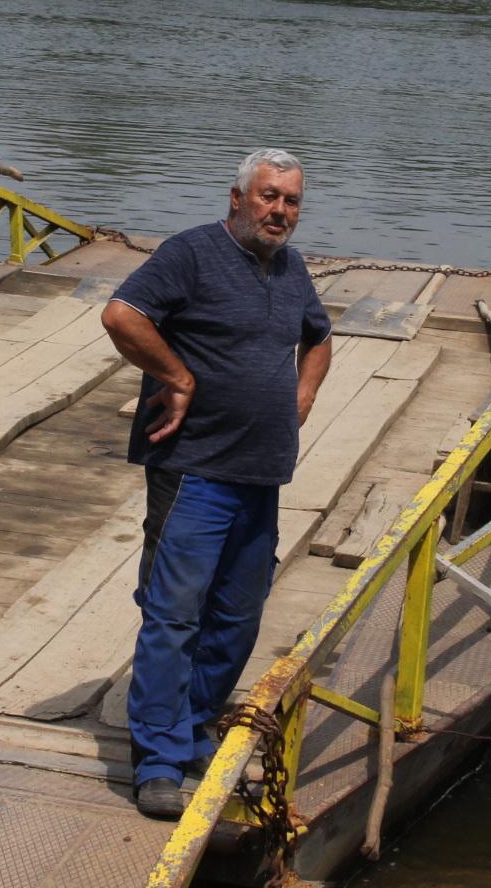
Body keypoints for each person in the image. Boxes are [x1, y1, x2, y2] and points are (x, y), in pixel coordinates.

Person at [99, 149, 333, 819]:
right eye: (268, 197)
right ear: (237, 198)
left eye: (290, 200)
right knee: (174, 615)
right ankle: (159, 761)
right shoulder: (192, 254)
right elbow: (122, 315)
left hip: (261, 472)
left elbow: (318, 335)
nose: (279, 211)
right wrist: (178, 378)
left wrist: (304, 394)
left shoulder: (289, 268)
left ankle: (194, 728)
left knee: (237, 614)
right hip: (194, 469)